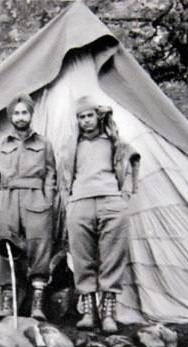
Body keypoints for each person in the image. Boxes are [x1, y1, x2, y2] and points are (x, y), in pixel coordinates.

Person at [64, 95, 140, 333]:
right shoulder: (71, 144)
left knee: (112, 257)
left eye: (89, 115)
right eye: (81, 117)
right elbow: (62, 173)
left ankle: (108, 313)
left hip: (110, 202)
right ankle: (88, 311)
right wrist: (69, 200)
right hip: (80, 202)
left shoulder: (114, 141)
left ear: (97, 116)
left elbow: (133, 161)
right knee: (82, 257)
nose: (86, 121)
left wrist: (125, 194)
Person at [0, 94, 57, 321]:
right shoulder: (1, 145)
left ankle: (37, 304)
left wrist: (46, 199)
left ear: (31, 115)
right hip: (8, 199)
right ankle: (7, 302)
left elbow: (50, 173)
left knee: (39, 247)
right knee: (6, 247)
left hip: (35, 198)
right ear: (11, 116)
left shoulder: (44, 143)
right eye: (16, 113)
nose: (21, 117)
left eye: (24, 112)